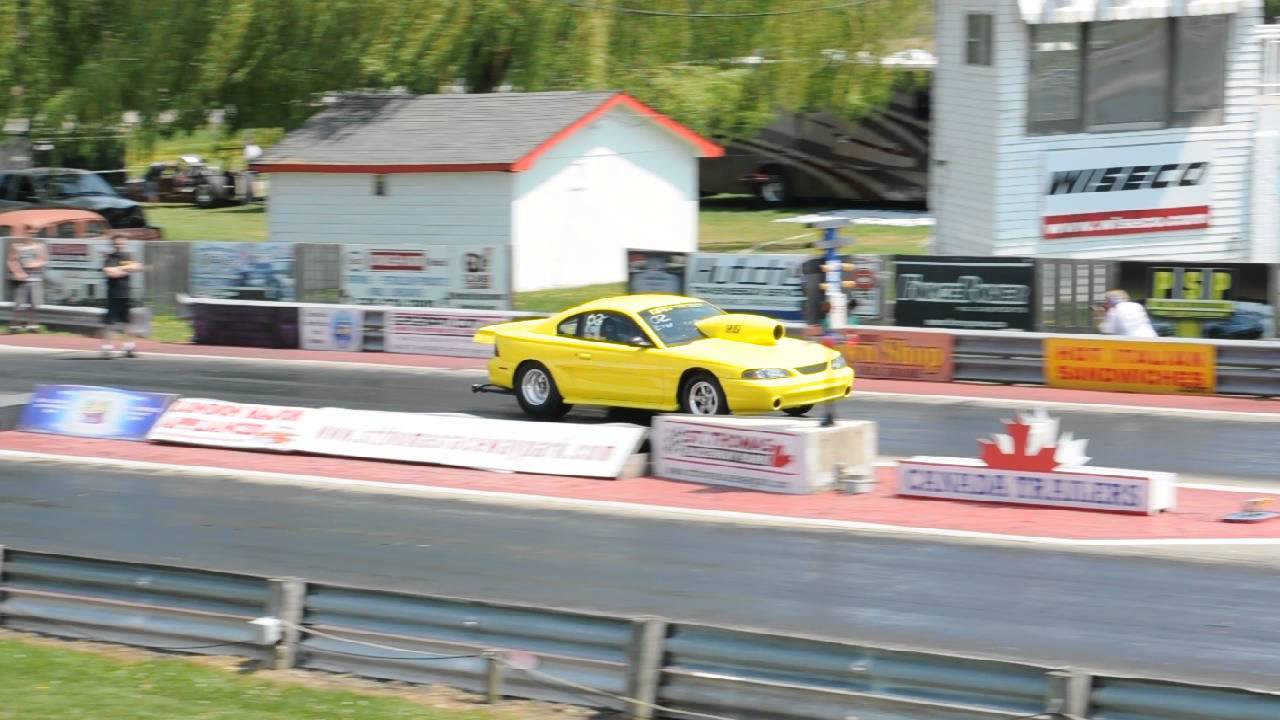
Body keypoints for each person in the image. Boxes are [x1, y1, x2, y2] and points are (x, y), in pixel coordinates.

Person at [101, 235, 146, 358]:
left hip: (125, 293)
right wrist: (126, 269)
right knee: (110, 322)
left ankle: (129, 347)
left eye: (121, 243)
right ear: (113, 244)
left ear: (124, 244)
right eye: (117, 243)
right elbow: (110, 273)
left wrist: (120, 268)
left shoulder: (127, 256)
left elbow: (138, 267)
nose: (119, 245)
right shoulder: (109, 258)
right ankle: (108, 347)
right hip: (113, 293)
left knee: (127, 322)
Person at [7, 227, 47, 333]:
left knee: (34, 304)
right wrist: (17, 272)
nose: (32, 235)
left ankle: (32, 326)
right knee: (19, 304)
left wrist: (33, 264)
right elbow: (11, 261)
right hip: (21, 279)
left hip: (35, 278)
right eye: (29, 233)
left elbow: (43, 260)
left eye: (34, 233)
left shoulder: (40, 246)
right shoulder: (16, 246)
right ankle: (14, 326)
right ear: (24, 233)